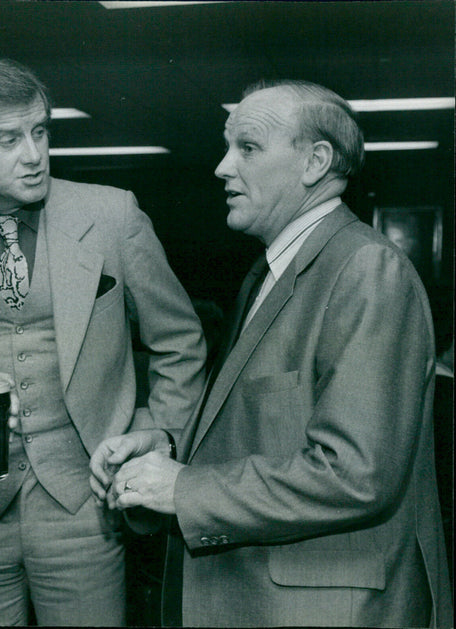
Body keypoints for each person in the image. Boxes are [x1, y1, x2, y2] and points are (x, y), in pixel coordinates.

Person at [90, 80, 453, 627]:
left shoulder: (366, 271)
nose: (221, 166)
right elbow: (259, 429)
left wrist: (182, 486)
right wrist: (163, 447)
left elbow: (356, 473)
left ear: (316, 161)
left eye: (248, 148)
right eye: (227, 145)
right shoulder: (268, 271)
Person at [0, 54, 206, 626]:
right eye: (7, 139)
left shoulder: (111, 216)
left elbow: (180, 340)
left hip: (84, 504)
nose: (34, 154)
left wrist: (156, 436)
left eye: (40, 131)